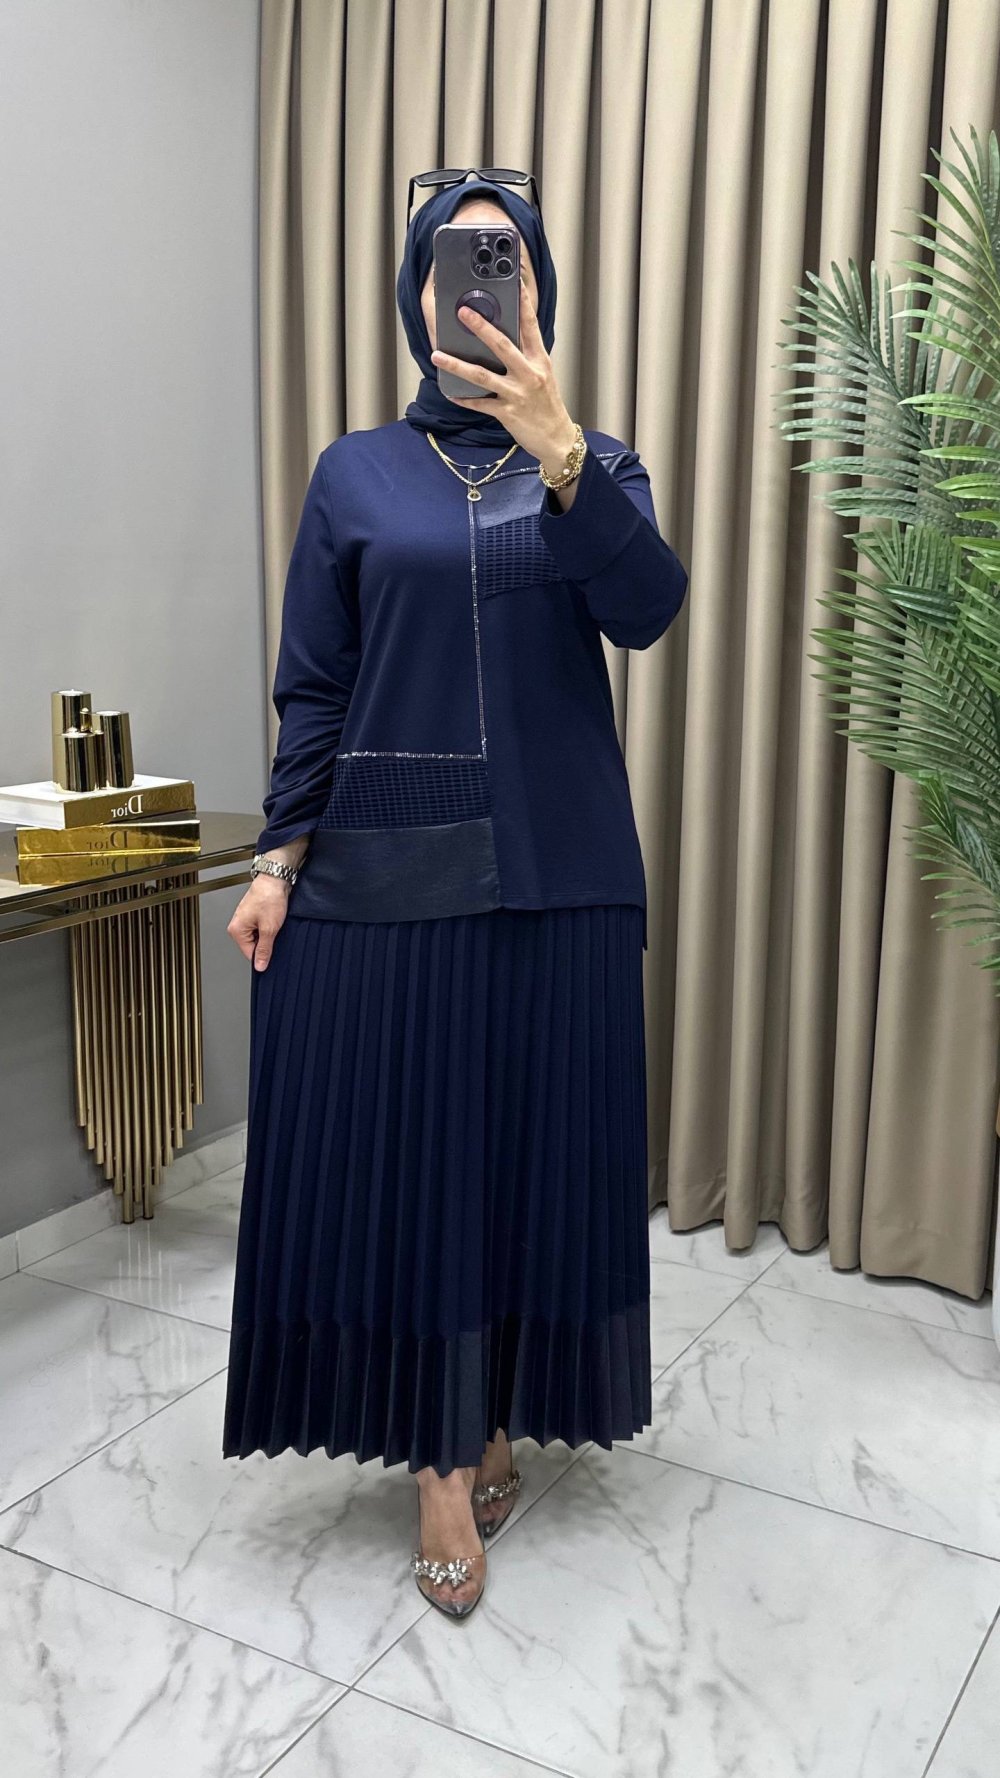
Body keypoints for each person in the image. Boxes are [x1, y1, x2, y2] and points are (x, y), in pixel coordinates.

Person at [222, 172, 689, 1620]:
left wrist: (561, 449)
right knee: (419, 1166)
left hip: (563, 876)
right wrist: (278, 856)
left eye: (507, 260)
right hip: (388, 872)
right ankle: (437, 1457)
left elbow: (647, 610)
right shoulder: (355, 473)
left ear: (537, 290)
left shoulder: (595, 462)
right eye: (455, 260)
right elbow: (316, 684)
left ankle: (494, 1413)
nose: (482, 283)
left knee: (522, 1165)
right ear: (418, 295)